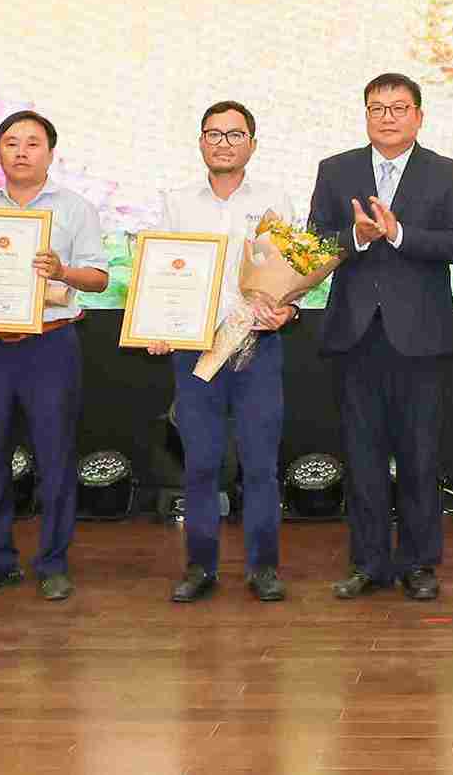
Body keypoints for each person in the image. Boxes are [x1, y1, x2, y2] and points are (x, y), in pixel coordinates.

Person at [0, 110, 111, 602]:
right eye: (11, 143)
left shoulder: (76, 209)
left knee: (55, 457)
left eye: (32, 143)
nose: (22, 151)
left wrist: (63, 271)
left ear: (50, 152)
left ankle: (52, 563)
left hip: (50, 345)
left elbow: (100, 278)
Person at [309, 73, 453, 600]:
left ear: (418, 115)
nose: (387, 116)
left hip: (421, 338)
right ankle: (368, 562)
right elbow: (313, 242)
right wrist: (353, 238)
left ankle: (420, 563)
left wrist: (400, 234)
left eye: (398, 107)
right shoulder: (336, 171)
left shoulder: (447, 173)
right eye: (376, 108)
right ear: (365, 115)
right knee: (361, 456)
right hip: (356, 336)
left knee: (421, 455)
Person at [150, 100, 299, 604]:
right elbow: (159, 273)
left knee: (260, 464)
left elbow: (293, 275)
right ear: (200, 142)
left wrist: (288, 310)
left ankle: (263, 568)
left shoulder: (276, 199)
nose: (223, 143)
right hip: (195, 351)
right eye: (214, 134)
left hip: (259, 347)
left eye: (235, 135)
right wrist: (157, 322)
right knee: (200, 464)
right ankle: (200, 566)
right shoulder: (176, 202)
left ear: (252, 144)